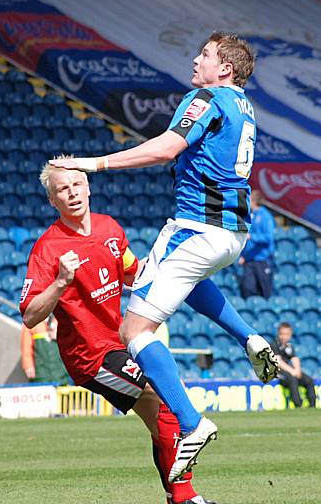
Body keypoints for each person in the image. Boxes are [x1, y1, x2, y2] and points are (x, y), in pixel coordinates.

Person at [50, 31, 279, 482]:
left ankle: (191, 422)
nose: (196, 60)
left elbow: (166, 148)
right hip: (233, 234)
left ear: (225, 69)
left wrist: (92, 163)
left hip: (195, 227)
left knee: (134, 330)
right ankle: (249, 337)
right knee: (189, 282)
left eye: (206, 55)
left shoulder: (206, 96)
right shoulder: (245, 107)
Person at [20, 162, 216, 504]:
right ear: (52, 200)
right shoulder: (48, 249)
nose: (73, 192)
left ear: (88, 188)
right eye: (62, 189)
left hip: (119, 344)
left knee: (162, 424)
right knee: (168, 403)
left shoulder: (109, 228)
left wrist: (174, 279)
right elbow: (30, 315)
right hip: (91, 356)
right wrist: (60, 282)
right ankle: (185, 497)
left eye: (77, 184)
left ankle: (179, 497)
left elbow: (131, 272)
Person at [239, 190, 276, 299]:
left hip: (262, 260)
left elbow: (269, 237)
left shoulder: (266, 216)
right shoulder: (250, 216)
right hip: (249, 260)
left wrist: (252, 237)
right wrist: (244, 256)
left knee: (264, 291)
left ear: (254, 201)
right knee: (247, 290)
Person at [271, 322, 316, 408]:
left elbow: (295, 358)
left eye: (287, 334)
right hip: (277, 372)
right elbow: (278, 361)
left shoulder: (289, 346)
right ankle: (298, 405)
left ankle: (312, 405)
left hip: (289, 371)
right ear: (278, 333)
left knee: (309, 380)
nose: (284, 337)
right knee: (292, 379)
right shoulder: (274, 345)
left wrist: (297, 370)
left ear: (290, 334)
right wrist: (292, 371)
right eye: (282, 334)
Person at [21, 315, 70, 385]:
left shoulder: (61, 319)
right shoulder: (31, 322)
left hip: (60, 371)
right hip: (40, 371)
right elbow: (26, 346)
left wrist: (59, 334)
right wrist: (28, 366)